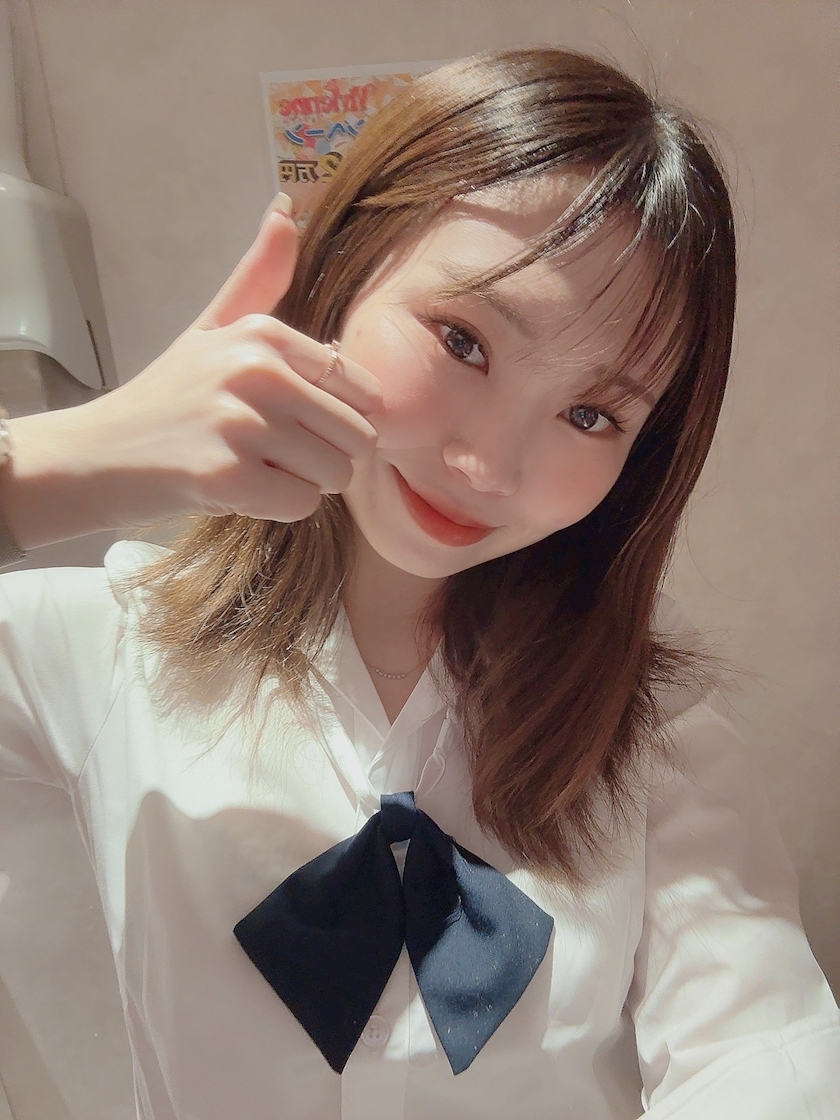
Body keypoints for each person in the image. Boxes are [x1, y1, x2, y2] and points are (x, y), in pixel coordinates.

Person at [0, 47, 837, 1120]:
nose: (486, 465)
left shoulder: (655, 737)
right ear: (342, 276)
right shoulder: (105, 647)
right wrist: (67, 460)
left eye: (592, 414)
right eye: (462, 340)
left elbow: (767, 1057)